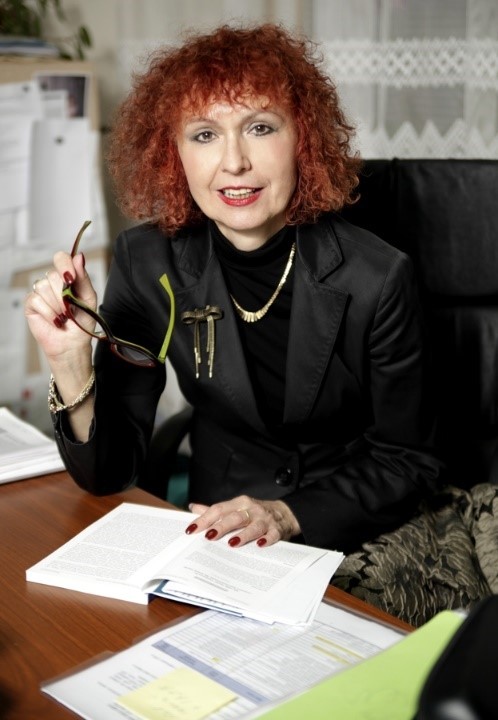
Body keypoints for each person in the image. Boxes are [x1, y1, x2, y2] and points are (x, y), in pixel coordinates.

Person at [25, 23, 443, 560]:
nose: (234, 162)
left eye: (260, 128)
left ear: (304, 139)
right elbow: (108, 473)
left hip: (346, 528)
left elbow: (409, 461)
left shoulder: (377, 277)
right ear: (174, 152)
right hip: (217, 533)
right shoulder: (147, 262)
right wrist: (70, 363)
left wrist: (288, 514)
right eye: (204, 135)